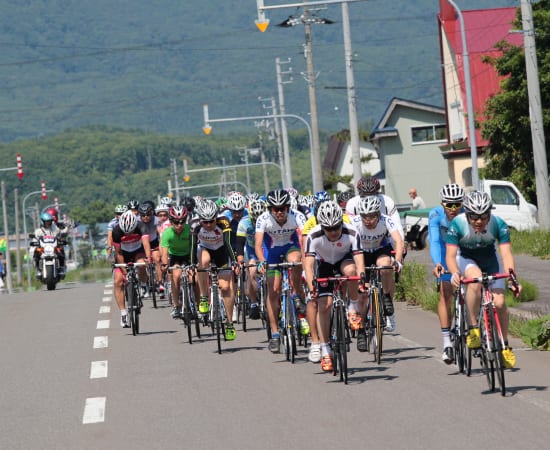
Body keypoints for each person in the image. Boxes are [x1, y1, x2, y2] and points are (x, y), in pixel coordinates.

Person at [446, 191, 520, 369]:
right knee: (475, 280)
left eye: (483, 216)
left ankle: (504, 345)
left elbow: (506, 254)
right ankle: (473, 329)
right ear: (467, 214)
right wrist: (455, 273)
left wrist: (512, 277)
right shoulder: (458, 224)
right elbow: (450, 256)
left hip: (490, 260)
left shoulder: (498, 224)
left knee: (500, 303)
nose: (479, 221)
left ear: (490, 213)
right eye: (474, 217)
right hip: (467, 259)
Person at [303, 201, 365, 371]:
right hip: (323, 265)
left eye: (336, 227)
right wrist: (311, 286)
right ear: (321, 226)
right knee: (324, 305)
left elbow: (359, 259)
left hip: (343, 261)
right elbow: (308, 266)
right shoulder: (313, 235)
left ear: (341, 222)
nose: (333, 232)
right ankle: (325, 351)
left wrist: (362, 279)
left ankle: (352, 308)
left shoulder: (351, 232)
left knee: (352, 270)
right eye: (328, 229)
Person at [255, 189, 306, 353]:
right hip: (272, 252)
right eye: (275, 209)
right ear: (270, 209)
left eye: (282, 208)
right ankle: (275, 333)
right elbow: (258, 244)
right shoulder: (263, 219)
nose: (279, 212)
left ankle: (297, 294)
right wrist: (262, 261)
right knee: (274, 290)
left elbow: (303, 241)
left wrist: (306, 261)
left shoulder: (297, 216)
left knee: (295, 261)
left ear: (287, 207)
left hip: (291, 247)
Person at [350, 196, 404, 336]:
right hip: (361, 254)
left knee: (386, 266)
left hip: (380, 250)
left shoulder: (386, 220)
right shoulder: (354, 223)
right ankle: (361, 328)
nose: (368, 221)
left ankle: (386, 297)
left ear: (378, 214)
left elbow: (398, 241)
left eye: (372, 217)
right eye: (364, 217)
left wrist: (397, 260)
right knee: (362, 295)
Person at [190, 199, 238, 341]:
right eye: (206, 222)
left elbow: (229, 243)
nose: (209, 224)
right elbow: (192, 246)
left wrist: (234, 261)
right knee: (203, 262)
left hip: (221, 251)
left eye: (212, 221)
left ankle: (229, 323)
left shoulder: (224, 222)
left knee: (225, 288)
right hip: (204, 249)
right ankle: (204, 297)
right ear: (200, 220)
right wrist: (192, 264)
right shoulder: (194, 224)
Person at [428, 183, 465, 364]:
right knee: (445, 292)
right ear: (442, 204)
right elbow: (434, 241)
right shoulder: (435, 215)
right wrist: (438, 264)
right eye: (448, 204)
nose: (452, 208)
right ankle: (447, 343)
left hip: (463, 250)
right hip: (444, 251)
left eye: (457, 204)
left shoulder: (468, 214)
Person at [112, 210, 151, 328]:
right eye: (126, 232)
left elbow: (146, 244)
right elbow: (118, 253)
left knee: (142, 264)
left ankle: (144, 284)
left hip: (137, 252)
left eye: (131, 231)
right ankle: (123, 314)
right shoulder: (116, 231)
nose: (128, 234)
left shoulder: (141, 226)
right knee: (118, 281)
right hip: (123, 254)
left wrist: (148, 258)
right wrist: (124, 271)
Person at [235, 199, 266, 320]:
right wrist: (240, 261)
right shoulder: (244, 222)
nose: (256, 223)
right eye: (254, 221)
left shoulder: (269, 220)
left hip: (265, 249)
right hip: (252, 251)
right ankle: (254, 303)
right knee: (251, 271)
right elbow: (239, 243)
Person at [160, 205, 193, 319]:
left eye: (182, 222)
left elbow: (196, 247)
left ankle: (197, 303)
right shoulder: (167, 233)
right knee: (176, 276)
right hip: (175, 257)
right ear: (171, 221)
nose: (179, 225)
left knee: (194, 277)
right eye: (176, 222)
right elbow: (164, 253)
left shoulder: (190, 230)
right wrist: (164, 265)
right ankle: (176, 305)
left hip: (189, 255)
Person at [138, 201, 163, 297]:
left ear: (152, 213)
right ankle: (144, 284)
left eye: (148, 215)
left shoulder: (156, 220)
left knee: (157, 259)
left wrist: (162, 246)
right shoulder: (137, 221)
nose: (146, 217)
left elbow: (160, 233)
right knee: (142, 264)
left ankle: (160, 283)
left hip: (153, 242)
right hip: (142, 244)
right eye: (143, 215)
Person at [31, 211, 67, 277]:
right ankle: (38, 269)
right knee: (36, 252)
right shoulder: (38, 231)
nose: (48, 223)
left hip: (53, 247)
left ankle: (61, 267)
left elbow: (59, 234)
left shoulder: (54, 228)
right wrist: (34, 243)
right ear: (42, 222)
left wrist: (61, 239)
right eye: (46, 221)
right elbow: (35, 239)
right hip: (43, 248)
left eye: (49, 221)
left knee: (60, 250)